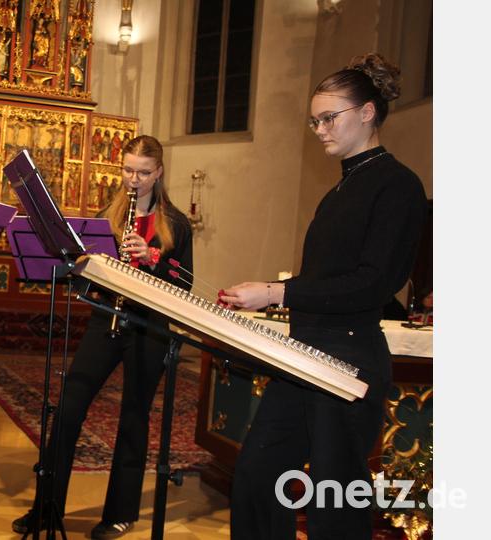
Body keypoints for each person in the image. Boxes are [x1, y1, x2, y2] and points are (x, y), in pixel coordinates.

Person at [220, 53, 427, 539]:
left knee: (333, 501)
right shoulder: (338, 191)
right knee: (257, 474)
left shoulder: (397, 185)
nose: (319, 129)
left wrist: (276, 291)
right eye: (314, 120)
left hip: (349, 358)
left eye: (329, 117)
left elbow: (373, 283)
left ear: (368, 112)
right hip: (306, 355)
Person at [13, 135, 194, 539]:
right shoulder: (106, 216)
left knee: (133, 416)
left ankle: (120, 513)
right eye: (128, 170)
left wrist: (154, 260)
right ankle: (47, 507)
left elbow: (184, 285)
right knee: (69, 409)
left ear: (159, 173)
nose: (134, 179)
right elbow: (87, 270)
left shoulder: (176, 224)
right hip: (106, 320)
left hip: (148, 327)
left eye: (144, 173)